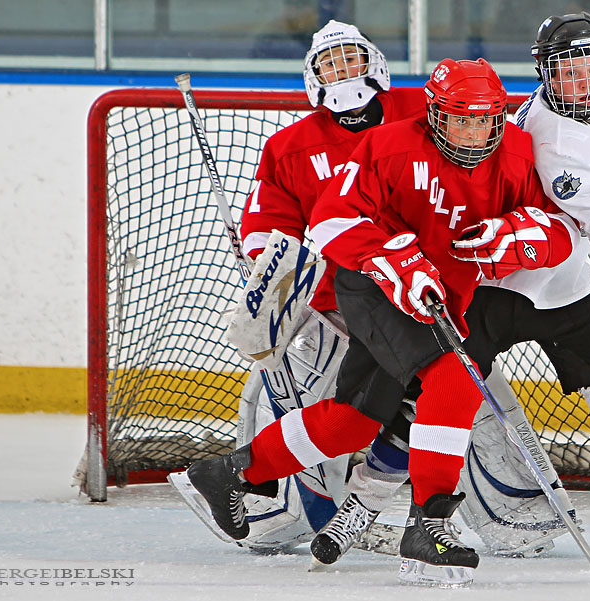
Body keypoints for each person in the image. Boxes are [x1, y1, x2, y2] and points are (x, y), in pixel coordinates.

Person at [313, 12, 590, 568]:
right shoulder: (551, 142)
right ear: (545, 77)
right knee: (431, 398)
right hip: (495, 287)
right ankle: (365, 505)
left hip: (568, 287)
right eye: (569, 74)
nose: (585, 83)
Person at [184, 57, 577, 587]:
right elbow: (330, 220)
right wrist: (394, 259)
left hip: (439, 295)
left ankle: (228, 472)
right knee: (457, 376)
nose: (474, 130)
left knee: (355, 420)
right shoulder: (388, 146)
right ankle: (429, 523)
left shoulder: (516, 153)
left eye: (485, 118)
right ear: (435, 114)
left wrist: (524, 236)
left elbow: (560, 225)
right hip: (371, 286)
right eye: (460, 118)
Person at [169, 19, 429, 552]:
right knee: (327, 411)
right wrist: (268, 265)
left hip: (422, 296)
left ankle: (492, 509)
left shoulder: (422, 112)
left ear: (374, 63)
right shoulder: (291, 146)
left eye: (351, 59)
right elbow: (269, 226)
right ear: (313, 78)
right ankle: (269, 503)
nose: (343, 71)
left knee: (442, 397)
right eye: (330, 64)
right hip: (336, 309)